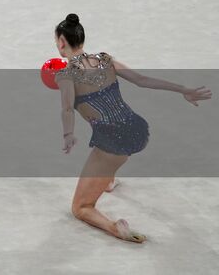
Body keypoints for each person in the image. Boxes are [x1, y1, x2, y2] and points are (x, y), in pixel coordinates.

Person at [52, 13, 211, 243]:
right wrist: (182, 89)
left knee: (80, 207)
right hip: (135, 129)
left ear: (61, 42)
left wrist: (68, 135)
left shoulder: (65, 76)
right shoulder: (105, 59)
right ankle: (108, 180)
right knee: (112, 152)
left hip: (111, 142)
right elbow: (142, 80)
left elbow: (67, 109)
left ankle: (115, 227)